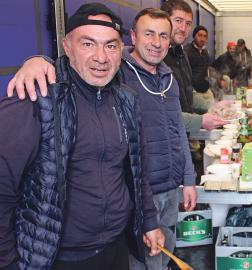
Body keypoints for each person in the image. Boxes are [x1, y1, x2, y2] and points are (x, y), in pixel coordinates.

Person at [6, 7, 198, 270]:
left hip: (115, 247)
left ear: (120, 48)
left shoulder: (125, 99)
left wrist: (149, 222)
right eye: (88, 43)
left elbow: (135, 169)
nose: (100, 57)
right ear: (67, 46)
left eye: (110, 46)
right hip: (60, 258)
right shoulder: (37, 99)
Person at [161, 0, 226, 133]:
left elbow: (185, 95)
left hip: (183, 132)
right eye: (178, 21)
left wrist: (213, 105)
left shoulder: (182, 55)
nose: (183, 28)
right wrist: (200, 121)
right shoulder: (156, 57)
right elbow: (158, 114)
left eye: (188, 23)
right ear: (164, 20)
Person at [184, 25, 210, 94]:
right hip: (193, 92)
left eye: (205, 36)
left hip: (204, 89)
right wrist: (192, 90)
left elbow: (206, 72)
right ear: (194, 36)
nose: (202, 39)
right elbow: (184, 75)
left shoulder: (205, 52)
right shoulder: (186, 51)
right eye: (200, 35)